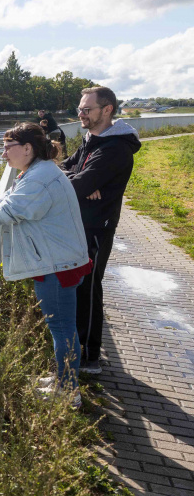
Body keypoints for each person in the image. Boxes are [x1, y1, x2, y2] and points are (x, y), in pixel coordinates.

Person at [0, 123, 91, 406]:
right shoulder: (38, 171)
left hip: (57, 266)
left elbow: (11, 211)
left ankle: (68, 393)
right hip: (59, 261)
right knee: (64, 327)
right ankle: (64, 381)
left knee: (62, 329)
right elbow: (10, 198)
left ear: (27, 148)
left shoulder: (39, 178)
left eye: (7, 147)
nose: (3, 155)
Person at [61, 86, 141, 375]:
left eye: (86, 109)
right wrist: (78, 180)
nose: (80, 114)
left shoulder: (114, 148)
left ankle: (89, 357)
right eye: (80, 109)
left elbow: (77, 185)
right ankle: (80, 349)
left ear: (106, 110)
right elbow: (64, 170)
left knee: (88, 289)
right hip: (80, 223)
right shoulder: (91, 139)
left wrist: (82, 184)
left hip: (96, 228)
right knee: (79, 287)